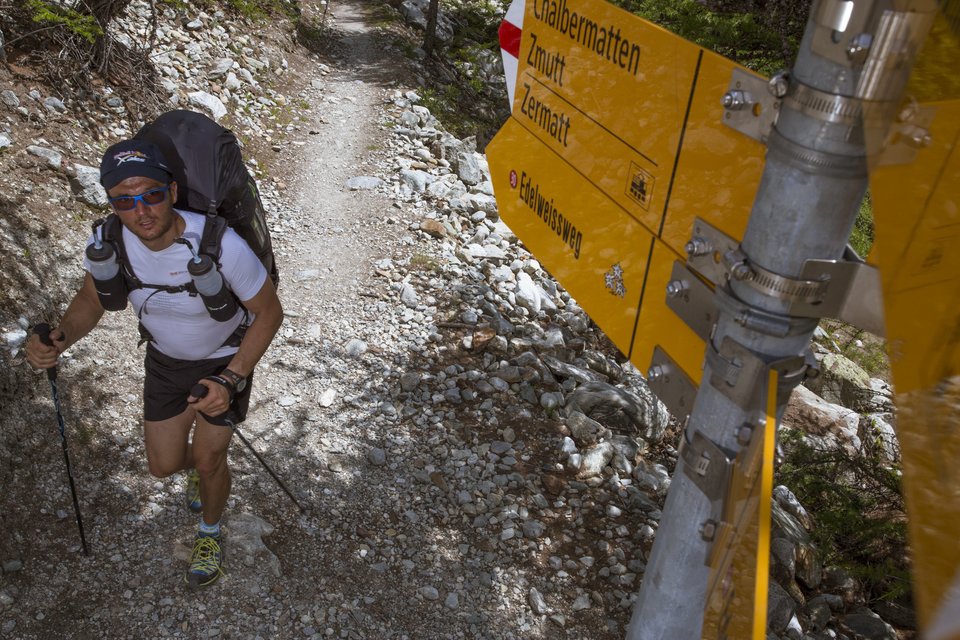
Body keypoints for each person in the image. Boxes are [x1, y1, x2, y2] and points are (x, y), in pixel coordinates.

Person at [25, 139, 283, 587]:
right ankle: (207, 472)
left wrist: (232, 377)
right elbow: (91, 299)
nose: (140, 210)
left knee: (207, 459)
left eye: (151, 195)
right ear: (112, 203)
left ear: (173, 192)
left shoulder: (220, 244)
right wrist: (60, 339)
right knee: (163, 466)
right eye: (124, 200)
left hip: (223, 363)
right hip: (165, 362)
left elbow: (269, 312)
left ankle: (210, 528)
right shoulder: (108, 242)